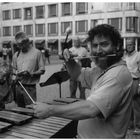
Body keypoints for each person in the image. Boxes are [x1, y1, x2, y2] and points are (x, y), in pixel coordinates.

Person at [32, 24, 133, 138]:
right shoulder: (101, 70)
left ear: (117, 46)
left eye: (104, 44)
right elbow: (77, 74)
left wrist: (50, 110)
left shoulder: (117, 74)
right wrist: (69, 61)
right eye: (95, 45)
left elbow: (91, 109)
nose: (98, 50)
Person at [12, 31, 45, 108]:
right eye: (18, 45)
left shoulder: (37, 53)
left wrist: (31, 74)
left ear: (27, 42)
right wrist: (14, 75)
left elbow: (42, 69)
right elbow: (13, 69)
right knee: (20, 109)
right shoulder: (16, 55)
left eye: (21, 45)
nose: (19, 47)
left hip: (30, 87)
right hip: (18, 86)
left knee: (31, 109)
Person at [124, 38, 140, 131]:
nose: (128, 46)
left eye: (130, 45)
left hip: (135, 81)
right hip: (126, 81)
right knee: (128, 105)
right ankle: (130, 125)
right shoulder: (125, 56)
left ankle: (138, 127)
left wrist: (139, 85)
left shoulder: (138, 55)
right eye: (127, 45)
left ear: (134, 45)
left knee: (136, 105)